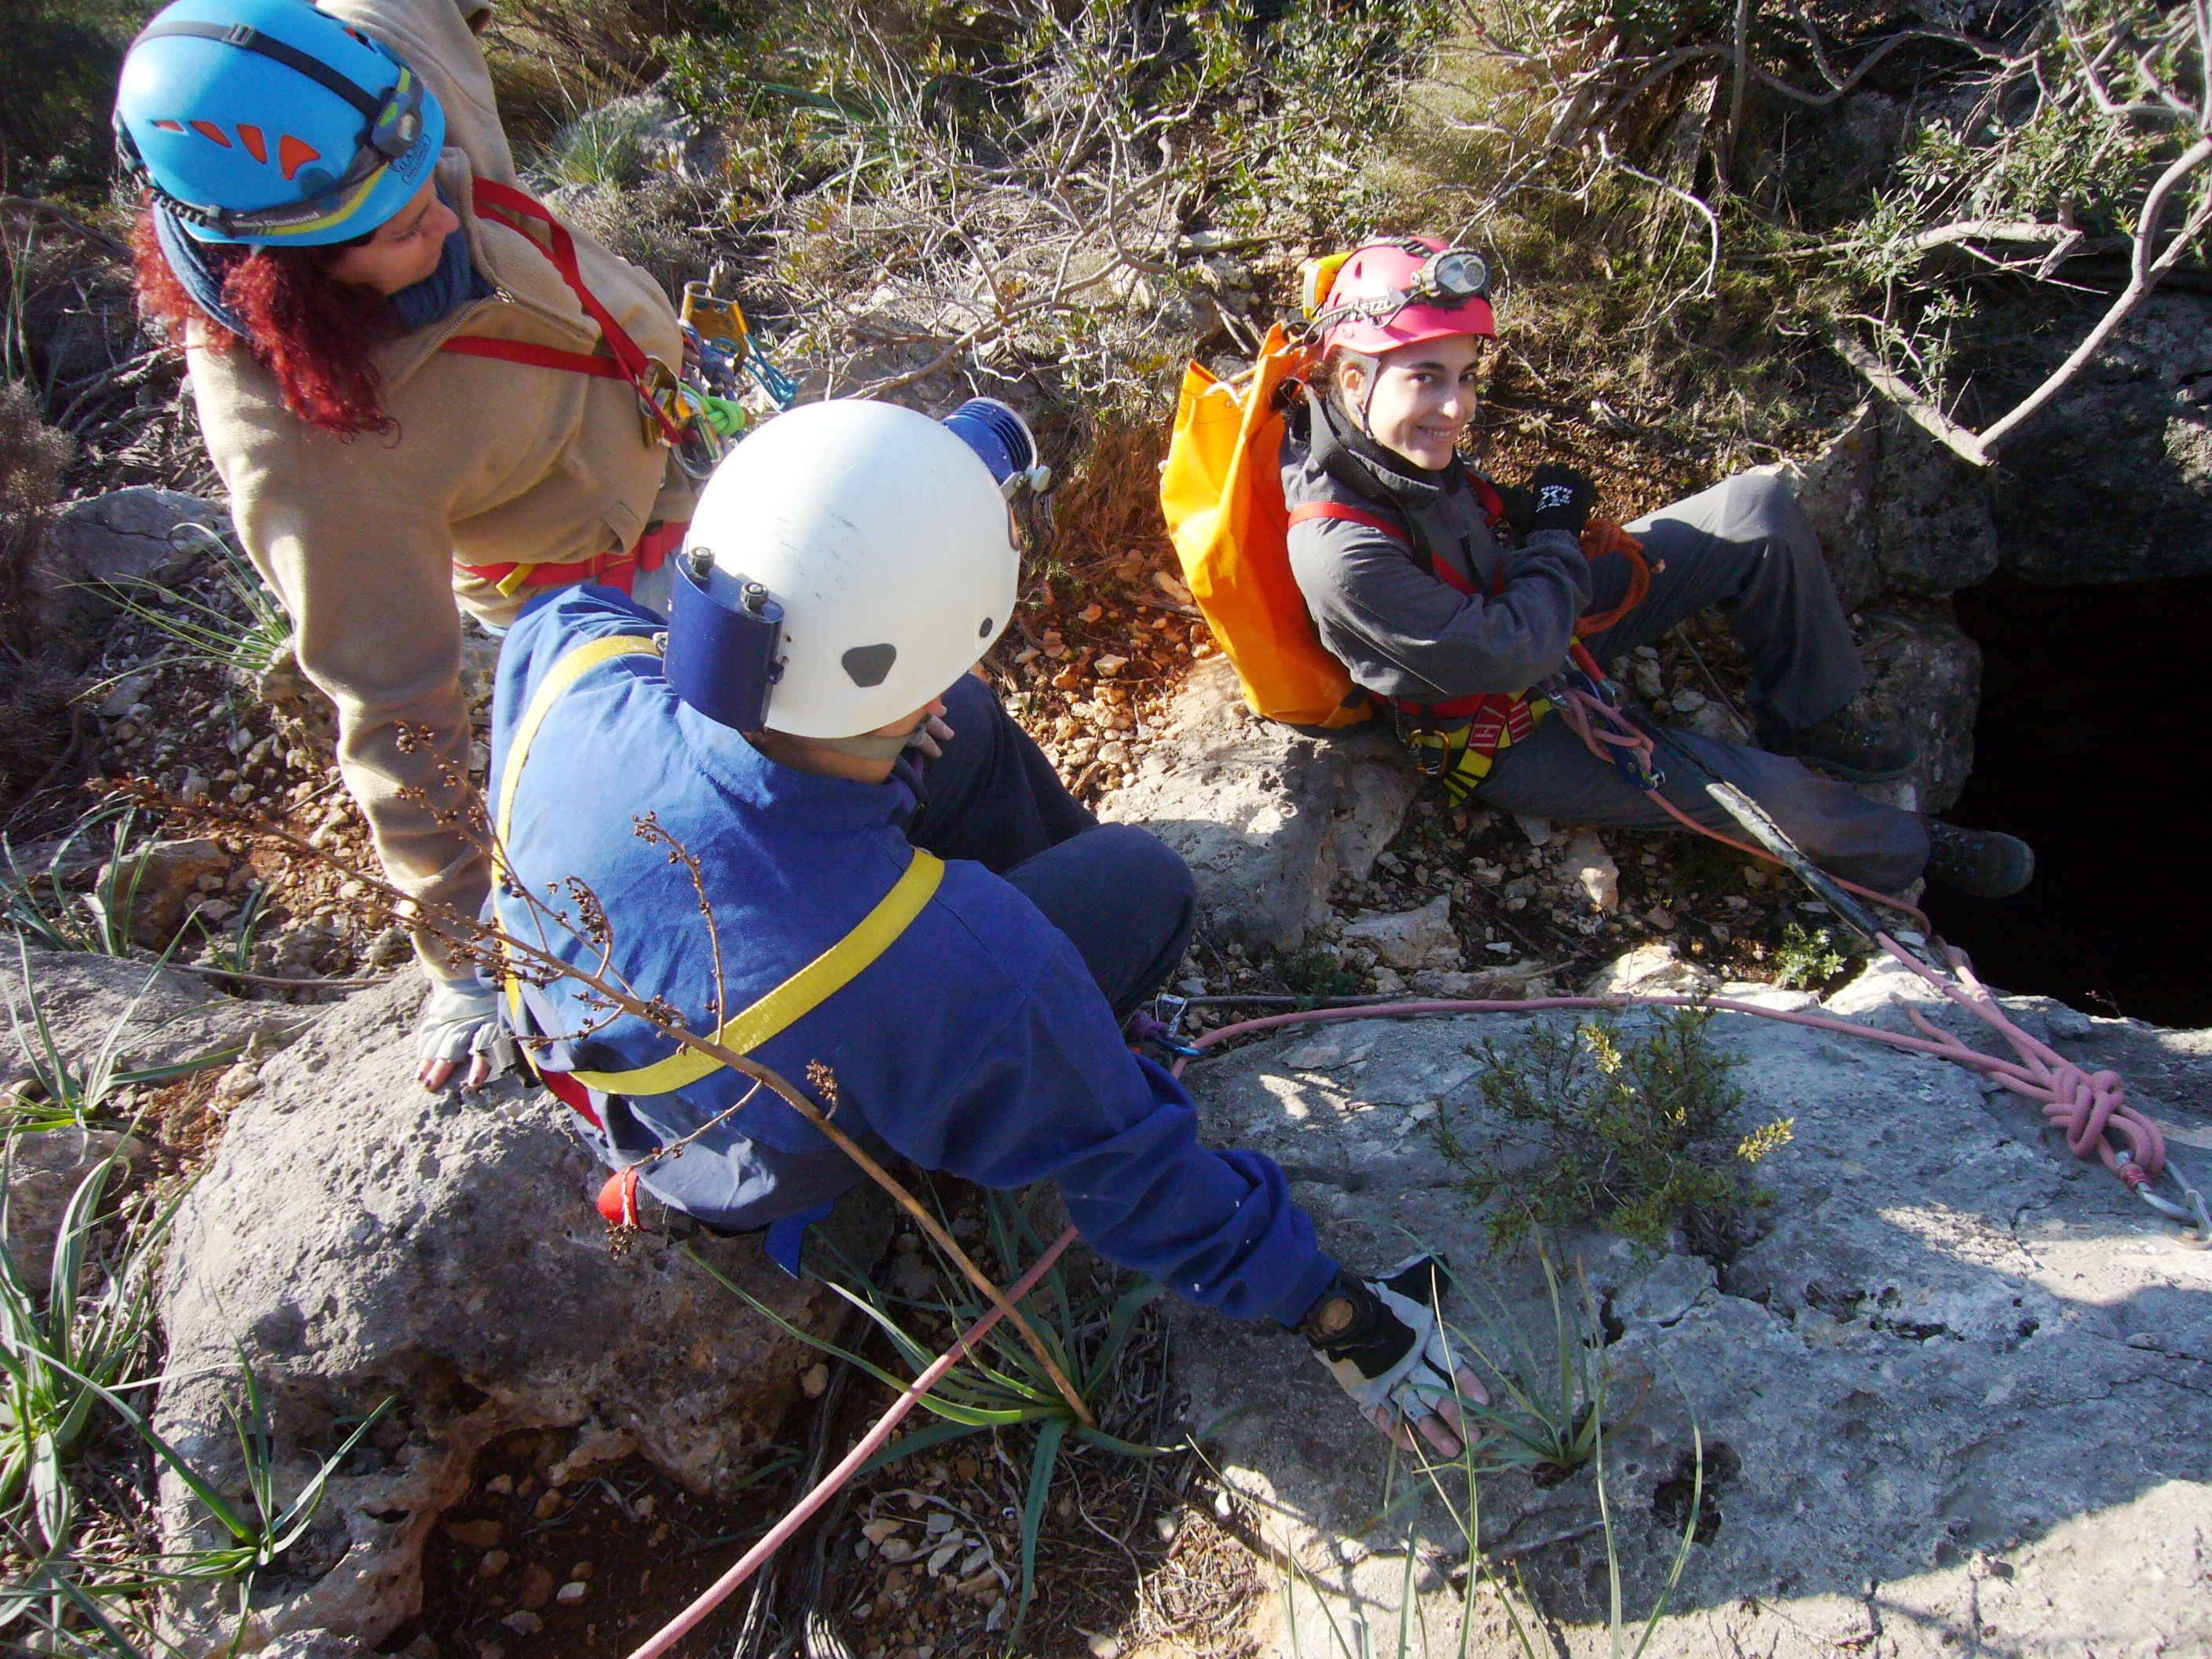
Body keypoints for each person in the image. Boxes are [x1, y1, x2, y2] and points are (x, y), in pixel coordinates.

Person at [488, 397, 1487, 1456]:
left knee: (962, 728)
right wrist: (1334, 1312)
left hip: (627, 1047)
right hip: (749, 1155)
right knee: (1141, 886)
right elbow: (1127, 1165)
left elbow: (789, 649)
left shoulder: (567, 648)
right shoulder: (954, 965)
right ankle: (1054, 1040)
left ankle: (993, 1000)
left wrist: (870, 730)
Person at [114, 0, 702, 1090]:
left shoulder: (366, 89)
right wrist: (472, 959)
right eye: (396, 230)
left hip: (666, 442)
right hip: (596, 581)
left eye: (431, 170)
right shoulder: (308, 452)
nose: (445, 214)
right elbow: (393, 711)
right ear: (288, 273)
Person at [1281, 236, 2034, 901]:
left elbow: (1463, 539)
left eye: (1466, 376)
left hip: (1520, 611)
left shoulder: (1382, 441)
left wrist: (1524, 512)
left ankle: (1814, 714)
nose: (1457, 407)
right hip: (1495, 730)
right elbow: (1519, 651)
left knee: (1756, 510)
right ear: (1353, 381)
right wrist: (1554, 536)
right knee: (1767, 792)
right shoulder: (1341, 551)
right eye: (1426, 377)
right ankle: (1912, 846)